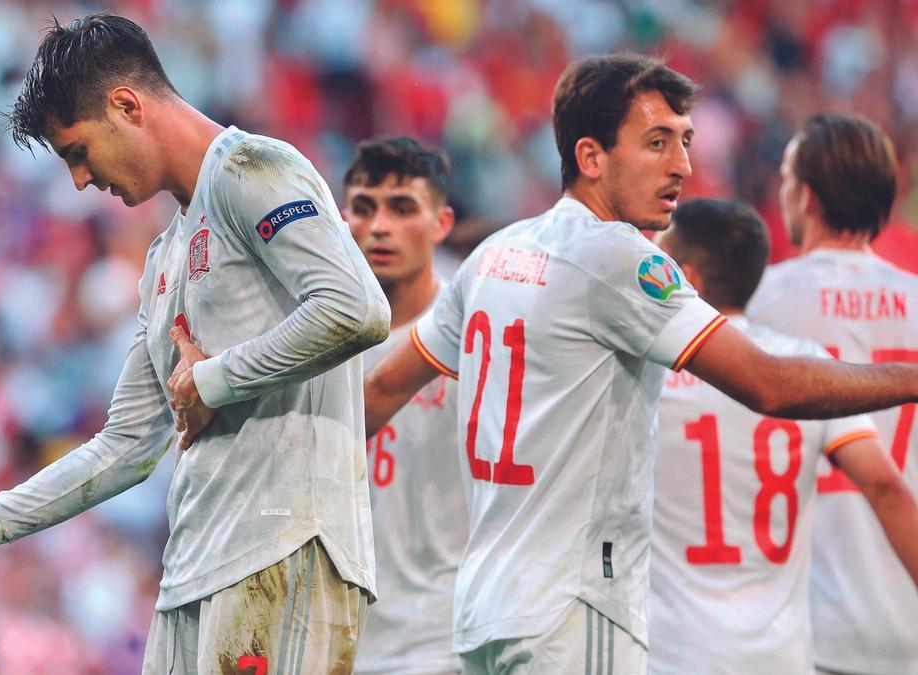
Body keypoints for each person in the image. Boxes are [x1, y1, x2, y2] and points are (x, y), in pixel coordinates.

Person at [0, 14, 391, 674]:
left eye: (78, 152)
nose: (81, 182)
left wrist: (215, 379)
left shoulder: (252, 168)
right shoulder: (165, 257)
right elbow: (124, 444)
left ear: (126, 105)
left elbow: (355, 307)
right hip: (195, 568)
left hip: (285, 542)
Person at [363, 54, 918, 675]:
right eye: (657, 143)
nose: (682, 165)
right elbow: (771, 386)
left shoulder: (497, 252)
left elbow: (383, 387)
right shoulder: (618, 256)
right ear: (592, 157)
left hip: (484, 608)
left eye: (684, 141)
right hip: (577, 608)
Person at [649, 198, 918, 674]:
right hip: (781, 657)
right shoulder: (805, 367)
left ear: (688, 281)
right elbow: (885, 485)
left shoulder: (648, 375)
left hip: (672, 653)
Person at [746, 112, 918, 675]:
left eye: (788, 178)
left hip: (798, 614)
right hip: (905, 596)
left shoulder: (758, 304)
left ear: (809, 198)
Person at [341, 137, 468, 675]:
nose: (379, 227)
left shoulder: (476, 332)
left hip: (446, 635)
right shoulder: (312, 338)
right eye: (364, 208)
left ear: (442, 224)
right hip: (343, 638)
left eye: (402, 208)